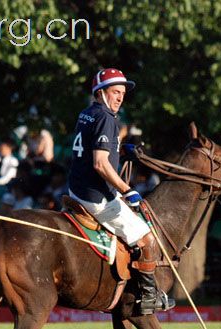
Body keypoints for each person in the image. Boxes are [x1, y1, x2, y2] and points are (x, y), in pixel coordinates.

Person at [66, 68, 173, 315]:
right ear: (101, 93)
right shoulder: (106, 118)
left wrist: (120, 150)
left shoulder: (87, 114)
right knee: (147, 239)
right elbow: (100, 163)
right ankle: (148, 297)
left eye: (122, 93)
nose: (120, 97)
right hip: (97, 197)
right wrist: (127, 190)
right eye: (115, 92)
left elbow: (94, 149)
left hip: (77, 189)